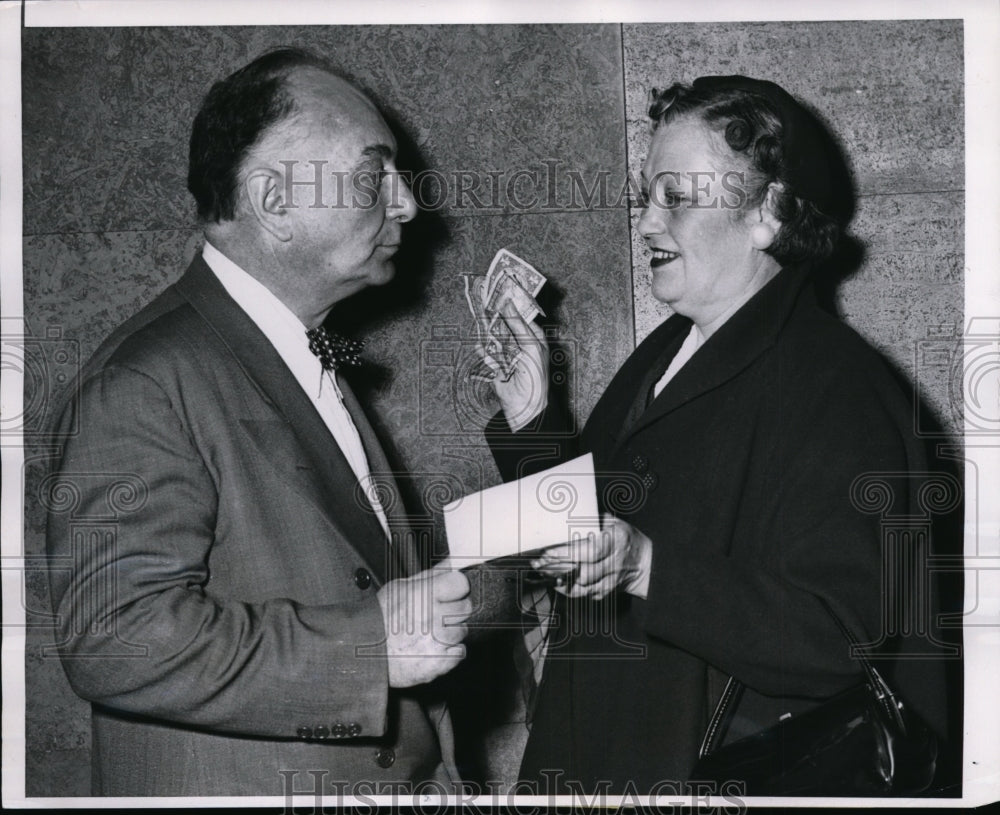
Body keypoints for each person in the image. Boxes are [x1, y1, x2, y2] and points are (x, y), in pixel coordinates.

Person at [482, 76, 952, 794]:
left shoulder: (837, 386)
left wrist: (646, 568)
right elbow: (591, 535)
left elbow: (837, 633)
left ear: (767, 211)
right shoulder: (670, 350)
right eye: (646, 197)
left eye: (675, 196)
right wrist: (533, 421)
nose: (645, 223)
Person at [44, 48, 472, 797]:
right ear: (274, 200)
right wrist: (368, 649)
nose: (405, 203)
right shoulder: (144, 381)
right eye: (375, 175)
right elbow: (113, 638)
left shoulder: (292, 351)